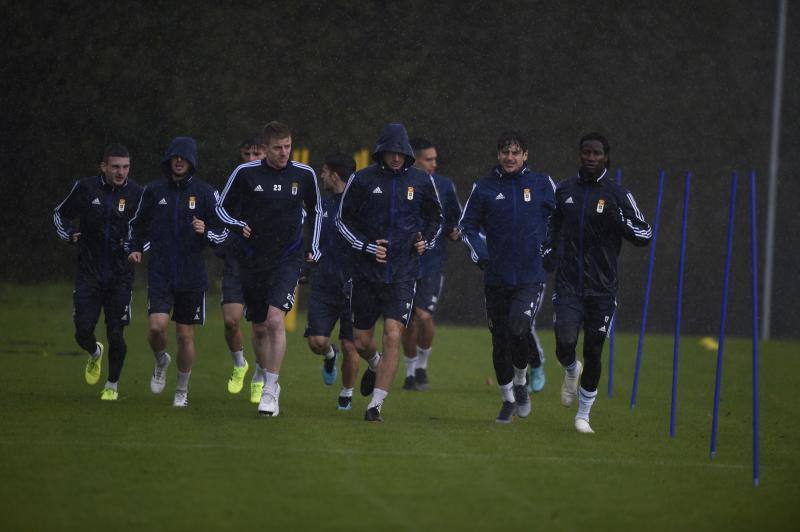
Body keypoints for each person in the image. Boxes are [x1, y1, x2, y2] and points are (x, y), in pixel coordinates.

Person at [541, 132, 651, 433]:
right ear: (580, 155)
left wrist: (619, 219)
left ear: (606, 157)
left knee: (594, 350)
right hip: (568, 283)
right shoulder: (564, 190)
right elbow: (550, 226)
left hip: (602, 288)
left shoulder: (618, 194)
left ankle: (584, 415)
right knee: (564, 343)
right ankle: (570, 368)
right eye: (586, 152)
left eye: (596, 153)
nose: (591, 157)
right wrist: (548, 250)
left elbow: (645, 234)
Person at [336, 122, 443, 422]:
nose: (396, 158)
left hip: (403, 273)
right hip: (366, 273)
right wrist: (368, 247)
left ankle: (375, 406)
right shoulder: (363, 179)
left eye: (401, 152)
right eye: (390, 152)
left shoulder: (421, 181)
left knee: (393, 334)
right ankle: (374, 363)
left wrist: (425, 241)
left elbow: (436, 219)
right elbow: (342, 222)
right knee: (360, 340)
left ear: (407, 153)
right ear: (381, 151)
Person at [216, 121, 322, 417]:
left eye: (288, 146)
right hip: (252, 259)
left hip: (287, 257)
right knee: (259, 327)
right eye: (278, 148)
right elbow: (220, 209)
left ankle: (271, 390)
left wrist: (314, 247)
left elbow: (316, 210)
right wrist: (239, 225)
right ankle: (263, 374)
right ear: (266, 148)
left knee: (276, 320)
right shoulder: (245, 173)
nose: (284, 152)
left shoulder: (304, 174)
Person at [459, 130, 556, 423]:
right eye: (505, 152)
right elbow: (467, 226)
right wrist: (481, 254)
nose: (510, 157)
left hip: (530, 275)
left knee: (519, 326)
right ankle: (507, 399)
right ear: (498, 155)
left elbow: (558, 220)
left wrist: (550, 250)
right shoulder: (484, 187)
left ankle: (521, 381)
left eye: (515, 152)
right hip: (497, 277)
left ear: (525, 155)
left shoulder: (541, 184)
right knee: (500, 340)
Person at [127, 136, 228, 407]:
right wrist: (135, 247)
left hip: (192, 274)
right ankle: (161, 361)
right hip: (160, 272)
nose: (179, 161)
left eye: (184, 157)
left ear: (192, 161)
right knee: (156, 329)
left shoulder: (206, 193)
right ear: (169, 160)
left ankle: (181, 391)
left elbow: (222, 230)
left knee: (185, 336)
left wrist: (205, 231)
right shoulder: (153, 191)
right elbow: (137, 224)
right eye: (175, 157)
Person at [53, 144, 144, 401]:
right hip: (89, 272)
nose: (120, 172)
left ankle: (112, 385)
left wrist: (136, 248)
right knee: (82, 330)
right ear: (103, 166)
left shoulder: (137, 194)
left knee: (116, 333)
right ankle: (94, 352)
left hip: (120, 275)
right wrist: (70, 234)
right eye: (115, 166)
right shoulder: (85, 188)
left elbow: (148, 230)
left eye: (125, 167)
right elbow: (60, 215)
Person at [401, 138, 462, 392]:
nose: (434, 164)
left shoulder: (445, 186)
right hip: (404, 262)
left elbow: (455, 220)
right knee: (407, 321)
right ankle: (410, 372)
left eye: (435, 159)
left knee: (424, 316)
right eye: (429, 159)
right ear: (415, 160)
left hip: (432, 263)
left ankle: (423, 366)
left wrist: (456, 231)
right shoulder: (402, 183)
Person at [303, 153, 362, 410]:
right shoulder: (322, 206)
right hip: (324, 284)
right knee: (316, 342)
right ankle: (329, 354)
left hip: (353, 286)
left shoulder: (360, 206)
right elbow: (312, 241)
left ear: (335, 175)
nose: (322, 176)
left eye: (324, 171)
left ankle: (347, 394)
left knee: (352, 344)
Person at [218, 134, 267, 403]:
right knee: (230, 320)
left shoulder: (276, 181)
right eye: (247, 154)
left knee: (260, 329)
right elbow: (219, 210)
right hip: (237, 258)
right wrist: (234, 228)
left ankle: (260, 374)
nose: (251, 159)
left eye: (256, 154)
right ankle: (240, 364)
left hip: (264, 262)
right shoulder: (237, 180)